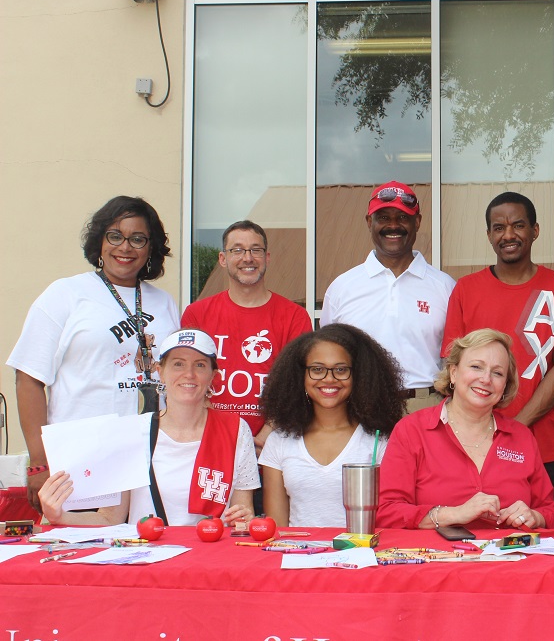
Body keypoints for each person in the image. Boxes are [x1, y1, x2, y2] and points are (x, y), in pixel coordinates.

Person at [7, 195, 180, 511]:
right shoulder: (65, 295)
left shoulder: (164, 302)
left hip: (153, 458)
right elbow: (28, 378)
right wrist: (38, 462)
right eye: (115, 236)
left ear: (151, 247)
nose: (125, 247)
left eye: (137, 239)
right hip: (80, 462)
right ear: (100, 242)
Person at [442, 192, 554, 500]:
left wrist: (515, 428)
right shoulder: (466, 290)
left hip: (539, 444)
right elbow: (454, 366)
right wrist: (488, 432)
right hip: (472, 446)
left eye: (518, 225)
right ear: (489, 235)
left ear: (535, 230)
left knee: (541, 537)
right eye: (498, 227)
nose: (508, 235)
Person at [38, 329, 259, 527]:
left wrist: (242, 518)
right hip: (147, 561)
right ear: (159, 371)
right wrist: (59, 516)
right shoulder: (133, 432)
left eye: (200, 365)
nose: (189, 374)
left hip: (209, 562)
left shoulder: (236, 430)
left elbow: (241, 515)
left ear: (213, 375)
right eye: (178, 364)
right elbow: (110, 518)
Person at [377, 328, 554, 530]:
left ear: (505, 386)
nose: (486, 379)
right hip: (437, 558)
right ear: (453, 372)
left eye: (497, 373)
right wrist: (454, 513)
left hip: (511, 557)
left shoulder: (522, 436)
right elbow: (387, 512)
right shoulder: (412, 430)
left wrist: (534, 516)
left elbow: (550, 511)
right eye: (476, 367)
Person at [320, 181, 456, 414]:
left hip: (427, 407)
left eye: (402, 218)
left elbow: (456, 360)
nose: (393, 226)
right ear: (369, 222)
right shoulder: (342, 287)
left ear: (418, 222)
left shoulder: (445, 286)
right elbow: (328, 357)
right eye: (383, 218)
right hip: (360, 407)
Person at [182, 220, 313, 455]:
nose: (248, 258)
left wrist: (264, 436)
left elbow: (298, 385)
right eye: (238, 250)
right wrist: (223, 435)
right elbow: (188, 381)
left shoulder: (294, 317)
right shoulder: (197, 314)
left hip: (272, 447)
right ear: (223, 259)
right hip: (210, 445)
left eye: (256, 250)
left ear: (267, 257)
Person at [258, 324, 405, 528]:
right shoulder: (279, 440)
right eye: (317, 369)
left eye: (341, 369)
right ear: (300, 376)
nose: (329, 378)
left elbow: (391, 521)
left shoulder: (381, 440)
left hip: (364, 556)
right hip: (298, 556)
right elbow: (277, 528)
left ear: (360, 376)